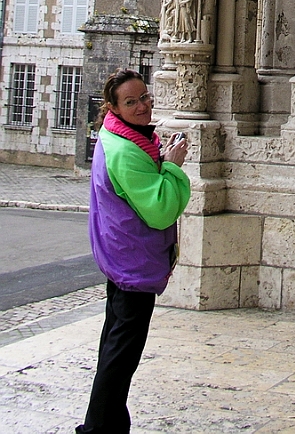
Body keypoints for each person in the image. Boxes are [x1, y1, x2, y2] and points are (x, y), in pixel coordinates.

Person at [76, 69, 190, 434]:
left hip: (126, 259)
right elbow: (160, 208)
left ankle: (110, 424)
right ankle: (96, 429)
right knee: (120, 356)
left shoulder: (125, 136)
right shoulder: (125, 150)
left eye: (144, 97)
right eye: (132, 101)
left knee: (116, 349)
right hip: (133, 263)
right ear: (113, 107)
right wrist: (171, 165)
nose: (143, 106)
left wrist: (163, 158)